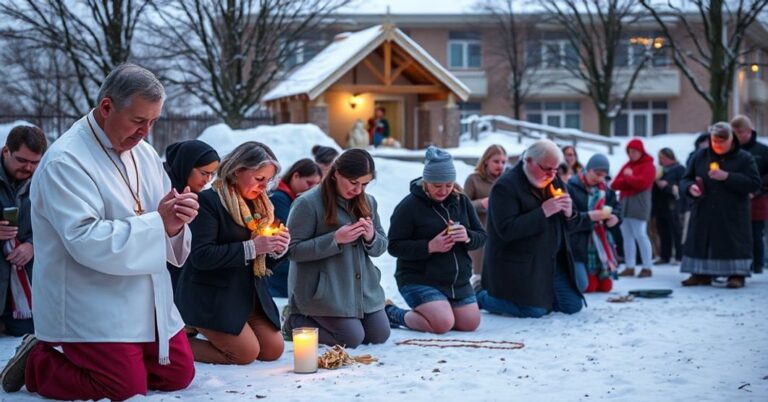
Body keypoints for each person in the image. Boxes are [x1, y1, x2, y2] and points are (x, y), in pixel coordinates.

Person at [0, 64, 198, 400]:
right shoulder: (66, 160)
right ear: (106, 107)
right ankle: (39, 359)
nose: (145, 132)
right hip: (91, 296)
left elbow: (162, 216)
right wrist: (158, 224)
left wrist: (176, 223)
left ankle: (119, 360)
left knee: (179, 374)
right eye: (138, 120)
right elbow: (84, 240)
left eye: (153, 121)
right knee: (121, 388)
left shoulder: (144, 152)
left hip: (144, 292)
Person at [175, 142, 289, 364]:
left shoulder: (262, 207)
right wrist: (253, 247)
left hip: (247, 296)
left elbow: (264, 264)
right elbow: (201, 256)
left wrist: (278, 249)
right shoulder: (209, 201)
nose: (265, 187)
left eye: (269, 180)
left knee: (273, 350)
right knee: (245, 353)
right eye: (259, 179)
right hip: (212, 297)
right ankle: (174, 345)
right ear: (238, 171)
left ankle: (237, 328)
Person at [284, 149, 390, 348]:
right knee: (351, 338)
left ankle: (349, 319)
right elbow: (292, 250)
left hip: (361, 289)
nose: (358, 190)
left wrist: (371, 237)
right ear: (336, 173)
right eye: (353, 182)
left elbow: (381, 246)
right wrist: (335, 239)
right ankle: (295, 321)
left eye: (365, 184)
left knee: (379, 334)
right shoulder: (307, 203)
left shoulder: (369, 202)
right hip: (324, 293)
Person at [476, 139, 584, 318]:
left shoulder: (554, 180)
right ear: (529, 161)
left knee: (572, 305)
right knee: (535, 310)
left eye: (555, 169)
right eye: (547, 169)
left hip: (550, 261)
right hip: (520, 264)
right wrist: (543, 212)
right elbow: (507, 230)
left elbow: (573, 223)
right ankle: (480, 297)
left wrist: (569, 213)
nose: (552, 174)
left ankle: (540, 297)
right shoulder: (505, 187)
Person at [385, 146, 486, 333]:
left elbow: (482, 236)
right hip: (419, 279)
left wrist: (468, 236)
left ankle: (440, 308)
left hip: (457, 282)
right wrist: (429, 246)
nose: (444, 191)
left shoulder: (461, 201)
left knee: (470, 323)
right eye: (437, 186)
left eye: (449, 185)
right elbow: (393, 246)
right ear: (426, 182)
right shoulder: (409, 206)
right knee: (442, 324)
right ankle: (391, 313)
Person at [680, 122, 761, 288]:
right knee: (702, 241)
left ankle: (737, 275)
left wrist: (727, 177)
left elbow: (754, 183)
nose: (717, 145)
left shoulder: (744, 158)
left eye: (722, 141)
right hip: (704, 207)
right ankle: (700, 273)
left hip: (731, 211)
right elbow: (685, 179)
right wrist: (690, 188)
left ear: (731, 140)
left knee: (732, 243)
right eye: (714, 141)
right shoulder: (700, 156)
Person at [0, 126, 47, 337]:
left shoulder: (47, 179)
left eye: (35, 162)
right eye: (21, 160)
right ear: (5, 151)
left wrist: (34, 245)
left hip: (25, 291)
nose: (28, 168)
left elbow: (57, 225)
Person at [163, 140, 220, 292]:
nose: (207, 180)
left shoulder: (196, 196)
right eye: (203, 173)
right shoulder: (163, 189)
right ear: (187, 166)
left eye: (212, 174)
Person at [267, 158, 322, 297]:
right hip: (280, 271)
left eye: (317, 185)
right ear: (295, 176)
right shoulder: (279, 198)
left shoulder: (296, 199)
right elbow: (295, 232)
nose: (312, 188)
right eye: (309, 183)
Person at [567, 154, 621, 292]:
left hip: (602, 238)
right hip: (578, 241)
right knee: (586, 287)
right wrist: (590, 217)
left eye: (603, 176)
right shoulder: (571, 187)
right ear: (588, 169)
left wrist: (615, 218)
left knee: (606, 287)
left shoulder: (605, 190)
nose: (599, 178)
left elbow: (616, 207)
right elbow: (569, 218)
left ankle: (601, 273)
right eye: (597, 174)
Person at [611, 138, 655, 278]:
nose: (632, 154)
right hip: (625, 205)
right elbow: (614, 184)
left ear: (641, 152)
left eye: (635, 151)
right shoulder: (627, 165)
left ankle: (647, 267)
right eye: (629, 151)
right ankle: (630, 266)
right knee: (627, 237)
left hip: (639, 205)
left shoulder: (649, 166)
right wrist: (629, 180)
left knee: (641, 235)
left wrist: (629, 178)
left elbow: (642, 184)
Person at [731, 115, 768, 274]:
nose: (737, 136)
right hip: (736, 195)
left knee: (755, 231)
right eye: (734, 132)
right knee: (736, 232)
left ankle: (758, 263)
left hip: (758, 196)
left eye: (740, 132)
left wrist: (756, 191)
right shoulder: (732, 149)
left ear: (749, 131)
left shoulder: (763, 151)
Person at [463, 144, 506, 280]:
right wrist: (481, 203)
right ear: (486, 160)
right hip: (480, 239)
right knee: (479, 280)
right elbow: (462, 207)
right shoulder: (473, 179)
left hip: (501, 237)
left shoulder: (507, 181)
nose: (500, 165)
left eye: (503, 162)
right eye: (496, 161)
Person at [652, 148, 685, 264]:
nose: (662, 160)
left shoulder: (679, 169)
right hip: (660, 204)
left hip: (673, 204)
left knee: (676, 230)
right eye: (660, 157)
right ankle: (664, 255)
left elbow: (683, 185)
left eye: (664, 157)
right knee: (662, 231)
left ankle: (679, 256)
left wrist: (668, 185)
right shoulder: (659, 170)